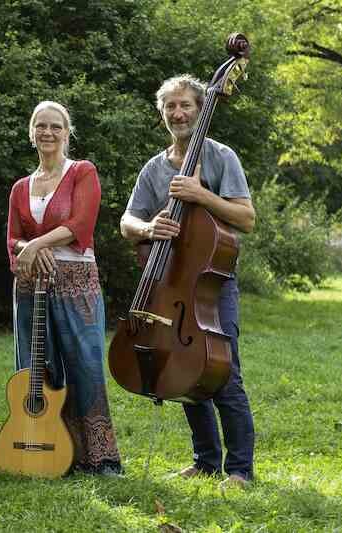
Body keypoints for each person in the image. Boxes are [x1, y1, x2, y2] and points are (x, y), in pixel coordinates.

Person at [120, 74, 256, 489]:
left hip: (213, 284)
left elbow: (247, 219)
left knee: (223, 372)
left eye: (186, 106)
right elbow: (127, 221)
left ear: (200, 109)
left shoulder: (220, 157)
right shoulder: (153, 167)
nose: (178, 114)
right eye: (170, 108)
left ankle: (240, 470)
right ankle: (206, 460)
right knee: (183, 368)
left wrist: (201, 194)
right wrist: (148, 228)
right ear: (162, 114)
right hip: (168, 286)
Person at [7, 100, 123, 475]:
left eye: (56, 126)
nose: (48, 133)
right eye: (40, 126)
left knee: (84, 366)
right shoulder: (20, 187)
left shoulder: (82, 172)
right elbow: (12, 240)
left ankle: (100, 458)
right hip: (29, 286)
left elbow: (80, 225)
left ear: (67, 132)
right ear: (31, 133)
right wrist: (28, 248)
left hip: (76, 284)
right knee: (37, 369)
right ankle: (53, 452)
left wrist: (36, 244)